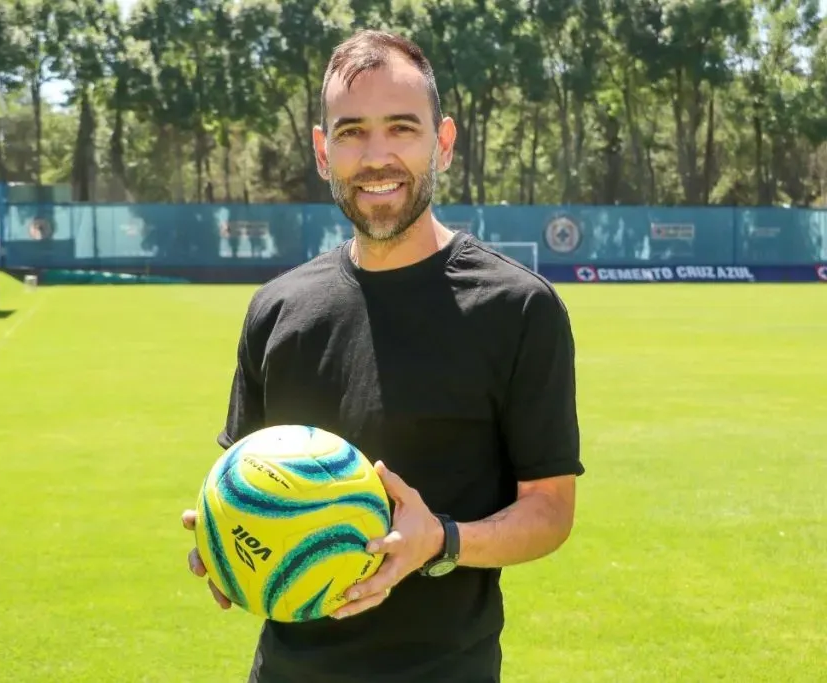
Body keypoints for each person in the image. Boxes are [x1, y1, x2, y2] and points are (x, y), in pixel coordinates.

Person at [181, 29, 584, 683]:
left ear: (443, 142)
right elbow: (248, 472)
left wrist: (442, 539)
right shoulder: (278, 309)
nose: (376, 157)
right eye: (351, 132)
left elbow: (549, 510)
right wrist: (226, 533)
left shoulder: (517, 308)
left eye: (401, 128)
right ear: (322, 150)